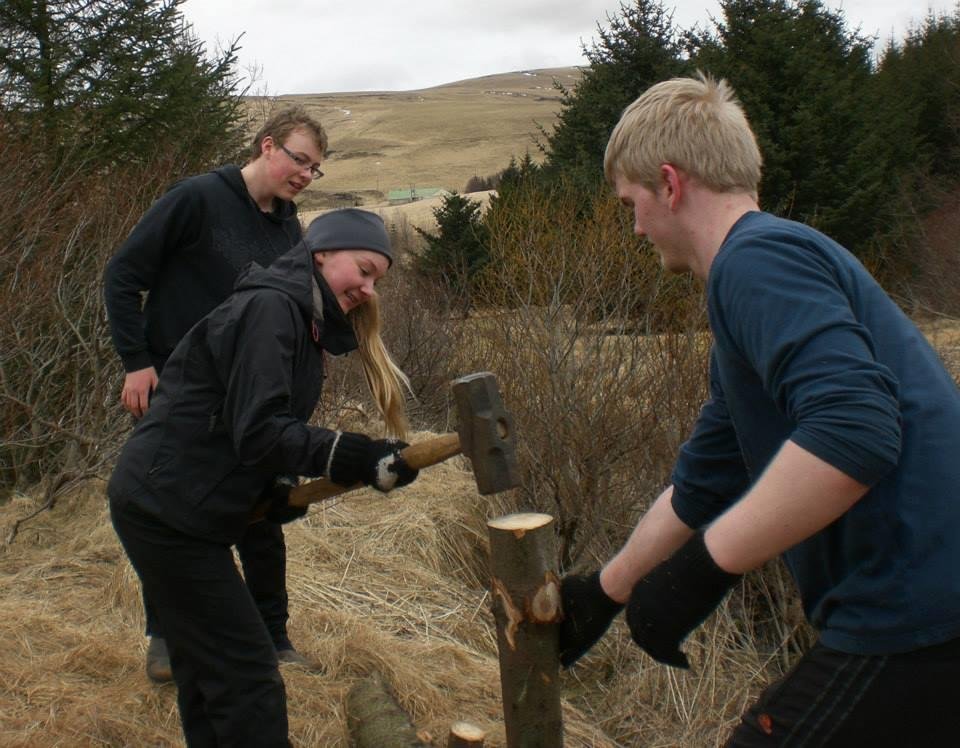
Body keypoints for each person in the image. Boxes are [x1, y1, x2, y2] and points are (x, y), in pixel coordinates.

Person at [558, 73, 960, 746]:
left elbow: (856, 432)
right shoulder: (762, 275)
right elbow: (706, 482)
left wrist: (706, 567)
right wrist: (607, 590)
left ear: (670, 182)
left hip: (916, 603)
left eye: (632, 202)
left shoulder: (757, 260)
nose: (634, 226)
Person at [108, 208, 419, 747]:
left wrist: (274, 490)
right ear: (322, 253)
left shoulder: (301, 319)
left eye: (376, 281)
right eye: (363, 270)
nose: (368, 289)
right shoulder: (273, 308)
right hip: (167, 507)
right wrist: (354, 454)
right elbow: (260, 430)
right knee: (248, 677)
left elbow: (237, 426)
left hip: (176, 502)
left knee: (206, 672)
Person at [103, 106, 327, 681]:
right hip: (178, 392)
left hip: (249, 397)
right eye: (300, 160)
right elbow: (124, 275)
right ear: (268, 146)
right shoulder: (198, 198)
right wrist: (136, 363)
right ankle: (166, 639)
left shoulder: (286, 226)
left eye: (315, 169)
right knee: (170, 512)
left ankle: (274, 638)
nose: (304, 174)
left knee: (262, 516)